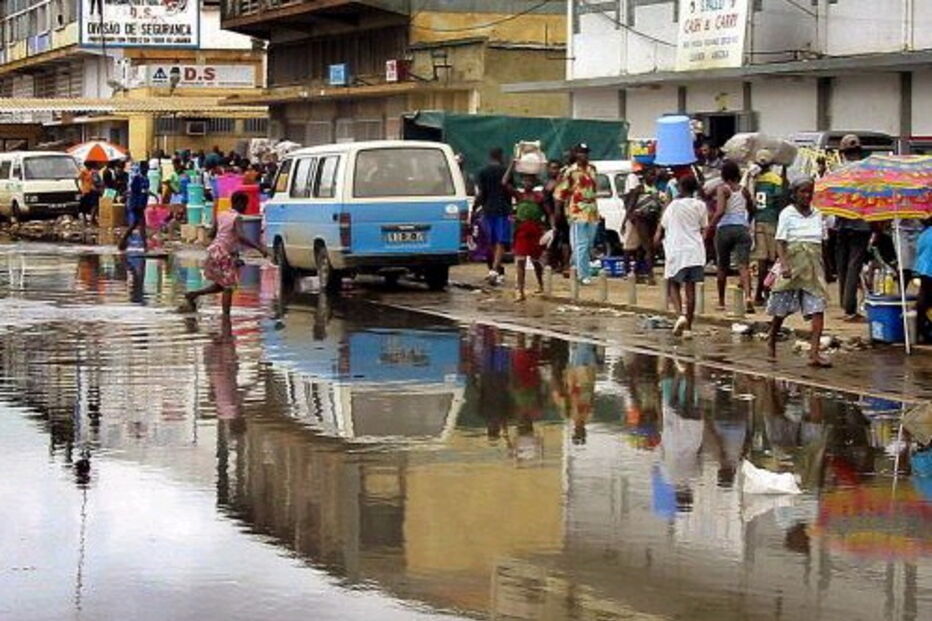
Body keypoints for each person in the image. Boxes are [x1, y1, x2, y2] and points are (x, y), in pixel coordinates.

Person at [766, 179, 832, 367]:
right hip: (793, 263)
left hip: (813, 265)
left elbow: (823, 242)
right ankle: (772, 337)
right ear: (794, 194)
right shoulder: (787, 213)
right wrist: (784, 265)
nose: (807, 195)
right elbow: (780, 242)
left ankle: (814, 353)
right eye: (802, 191)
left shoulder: (818, 214)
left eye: (810, 192)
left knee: (817, 308)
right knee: (781, 308)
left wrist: (828, 268)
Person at [182, 191, 269, 315]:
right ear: (239, 203)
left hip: (214, 251)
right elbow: (241, 237)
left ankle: (193, 294)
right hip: (223, 254)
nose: (246, 207)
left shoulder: (221, 214)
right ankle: (226, 317)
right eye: (245, 204)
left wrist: (220, 245)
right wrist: (258, 248)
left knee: (222, 285)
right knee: (228, 287)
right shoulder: (237, 217)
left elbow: (212, 233)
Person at [655, 175, 707, 335]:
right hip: (695, 251)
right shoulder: (700, 205)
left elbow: (663, 226)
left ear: (680, 188)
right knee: (691, 289)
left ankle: (680, 316)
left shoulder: (673, 206)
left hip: (676, 250)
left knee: (673, 284)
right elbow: (704, 227)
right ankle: (688, 327)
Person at [708, 160, 755, 312]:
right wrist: (746, 222)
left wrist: (710, 226)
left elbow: (720, 211)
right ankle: (748, 297)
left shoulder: (723, 189)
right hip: (741, 228)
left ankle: (721, 301)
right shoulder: (744, 190)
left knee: (722, 266)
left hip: (724, 228)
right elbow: (752, 208)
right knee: (743, 266)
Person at [834, 134, 871, 321]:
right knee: (854, 266)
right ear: (859, 151)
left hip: (841, 222)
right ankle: (850, 308)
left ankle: (845, 303)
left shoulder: (837, 172)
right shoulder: (867, 172)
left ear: (843, 152)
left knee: (842, 266)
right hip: (861, 224)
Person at [502, 160, 550, 302]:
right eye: (525, 180)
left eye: (530, 181)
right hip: (521, 231)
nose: (527, 183)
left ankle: (541, 284)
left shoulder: (539, 197)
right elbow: (504, 183)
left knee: (536, 262)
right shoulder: (519, 196)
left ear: (534, 183)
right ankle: (520, 291)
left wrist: (551, 228)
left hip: (535, 231)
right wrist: (511, 165)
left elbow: (549, 213)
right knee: (520, 261)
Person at [746, 149, 787, 305]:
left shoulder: (754, 178)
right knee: (774, 259)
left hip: (758, 221)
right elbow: (780, 200)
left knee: (761, 259)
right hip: (772, 221)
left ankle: (758, 293)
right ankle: (767, 290)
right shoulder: (775, 179)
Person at [555, 143, 600, 284]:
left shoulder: (592, 169)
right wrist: (558, 212)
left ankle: (574, 266)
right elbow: (560, 193)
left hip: (592, 210)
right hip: (577, 210)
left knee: (589, 243)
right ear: (575, 154)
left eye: (586, 152)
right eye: (581, 152)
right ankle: (583, 275)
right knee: (581, 244)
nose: (584, 155)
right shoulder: (570, 171)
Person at [474, 148, 512, 285]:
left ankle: (496, 269)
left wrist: (475, 207)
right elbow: (509, 190)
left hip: (488, 209)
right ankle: (496, 269)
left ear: (490, 156)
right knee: (501, 241)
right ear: (501, 156)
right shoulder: (506, 171)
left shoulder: (483, 172)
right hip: (503, 209)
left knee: (492, 240)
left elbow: (481, 193)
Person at [623, 165, 664, 285]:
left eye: (654, 174)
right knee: (648, 247)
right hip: (641, 220)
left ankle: (637, 272)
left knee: (644, 248)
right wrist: (626, 221)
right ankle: (650, 275)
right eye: (651, 174)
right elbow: (630, 206)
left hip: (652, 220)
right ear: (645, 176)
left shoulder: (655, 189)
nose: (653, 177)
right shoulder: (639, 189)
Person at [118, 161, 153, 252]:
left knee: (135, 224)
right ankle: (145, 246)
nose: (146, 170)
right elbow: (133, 190)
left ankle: (123, 242)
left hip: (142, 203)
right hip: (136, 204)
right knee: (142, 224)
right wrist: (143, 192)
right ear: (141, 168)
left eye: (147, 168)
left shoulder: (146, 179)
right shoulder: (137, 178)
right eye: (144, 168)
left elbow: (146, 190)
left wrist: (149, 194)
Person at [543, 159, 570, 274]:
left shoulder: (564, 183)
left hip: (564, 215)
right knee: (552, 241)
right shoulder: (548, 184)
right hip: (551, 215)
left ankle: (566, 265)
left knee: (565, 242)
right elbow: (546, 203)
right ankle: (553, 265)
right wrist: (551, 218)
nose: (555, 171)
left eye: (557, 168)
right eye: (552, 168)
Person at [914, 219, 932, 344]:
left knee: (923, 302)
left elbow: (919, 251)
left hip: (924, 270)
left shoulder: (924, 234)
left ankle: (920, 331)